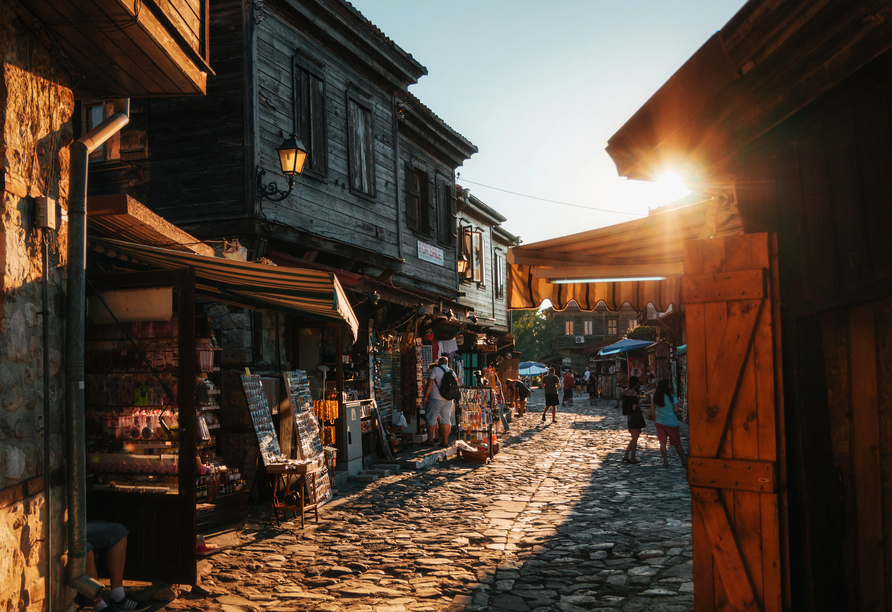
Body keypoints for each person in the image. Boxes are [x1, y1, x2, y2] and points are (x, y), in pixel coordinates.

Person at [85, 520, 150, 612]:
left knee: (118, 532)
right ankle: (100, 607)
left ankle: (118, 598)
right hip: (60, 531)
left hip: (75, 523)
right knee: (84, 549)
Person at [649, 379, 687, 467]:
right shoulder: (671, 397)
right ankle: (682, 460)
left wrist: (655, 419)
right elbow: (676, 410)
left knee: (662, 443)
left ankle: (665, 461)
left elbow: (651, 411)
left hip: (659, 421)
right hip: (671, 422)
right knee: (677, 443)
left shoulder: (655, 397)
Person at [422, 356, 456, 448]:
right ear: (447, 363)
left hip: (435, 398)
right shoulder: (452, 372)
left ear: (439, 363)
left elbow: (429, 384)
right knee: (446, 420)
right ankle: (444, 442)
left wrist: (425, 397)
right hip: (448, 399)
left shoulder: (436, 370)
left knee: (431, 418)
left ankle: (430, 440)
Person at [621, 375, 647, 464]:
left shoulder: (625, 392)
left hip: (629, 416)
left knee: (633, 438)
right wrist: (640, 402)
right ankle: (632, 457)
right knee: (635, 438)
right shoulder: (634, 393)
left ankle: (626, 456)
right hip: (635, 416)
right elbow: (634, 407)